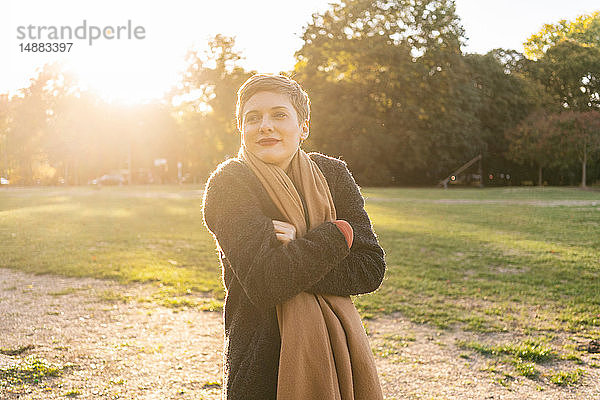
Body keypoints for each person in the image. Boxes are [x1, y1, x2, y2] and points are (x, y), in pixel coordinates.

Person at [202, 74, 386, 400]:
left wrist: (297, 242)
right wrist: (336, 234)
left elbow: (370, 267)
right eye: (253, 118)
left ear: (304, 127)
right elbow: (266, 281)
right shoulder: (229, 183)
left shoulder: (333, 174)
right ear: (242, 130)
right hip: (262, 364)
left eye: (279, 114)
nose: (265, 125)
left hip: (338, 350)